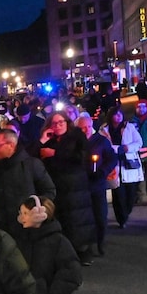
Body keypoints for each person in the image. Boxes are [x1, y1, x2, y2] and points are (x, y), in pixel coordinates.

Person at [37, 111, 96, 265]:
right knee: (62, 220)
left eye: (61, 122)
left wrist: (55, 153)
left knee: (78, 220)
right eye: (54, 123)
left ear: (67, 122)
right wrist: (42, 140)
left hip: (76, 185)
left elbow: (81, 157)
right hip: (57, 185)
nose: (57, 126)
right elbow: (33, 156)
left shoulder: (76, 136)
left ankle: (83, 251)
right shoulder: (48, 139)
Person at [0, 129, 56, 235]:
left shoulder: (32, 165)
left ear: (11, 145)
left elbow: (49, 191)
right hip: (1, 230)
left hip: (29, 230)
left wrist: (35, 211)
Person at [75, 115, 117, 256]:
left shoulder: (101, 140)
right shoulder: (75, 142)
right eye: (82, 128)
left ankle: (101, 242)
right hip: (81, 186)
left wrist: (103, 171)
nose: (85, 130)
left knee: (100, 215)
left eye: (87, 127)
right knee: (85, 218)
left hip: (97, 184)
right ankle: (88, 245)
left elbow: (112, 158)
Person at [99, 106, 144, 228]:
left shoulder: (129, 127)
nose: (118, 116)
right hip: (113, 165)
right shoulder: (104, 130)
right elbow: (100, 145)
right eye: (115, 114)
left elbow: (139, 142)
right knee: (118, 195)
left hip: (128, 164)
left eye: (120, 114)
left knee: (130, 194)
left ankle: (126, 212)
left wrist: (127, 148)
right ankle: (121, 219)